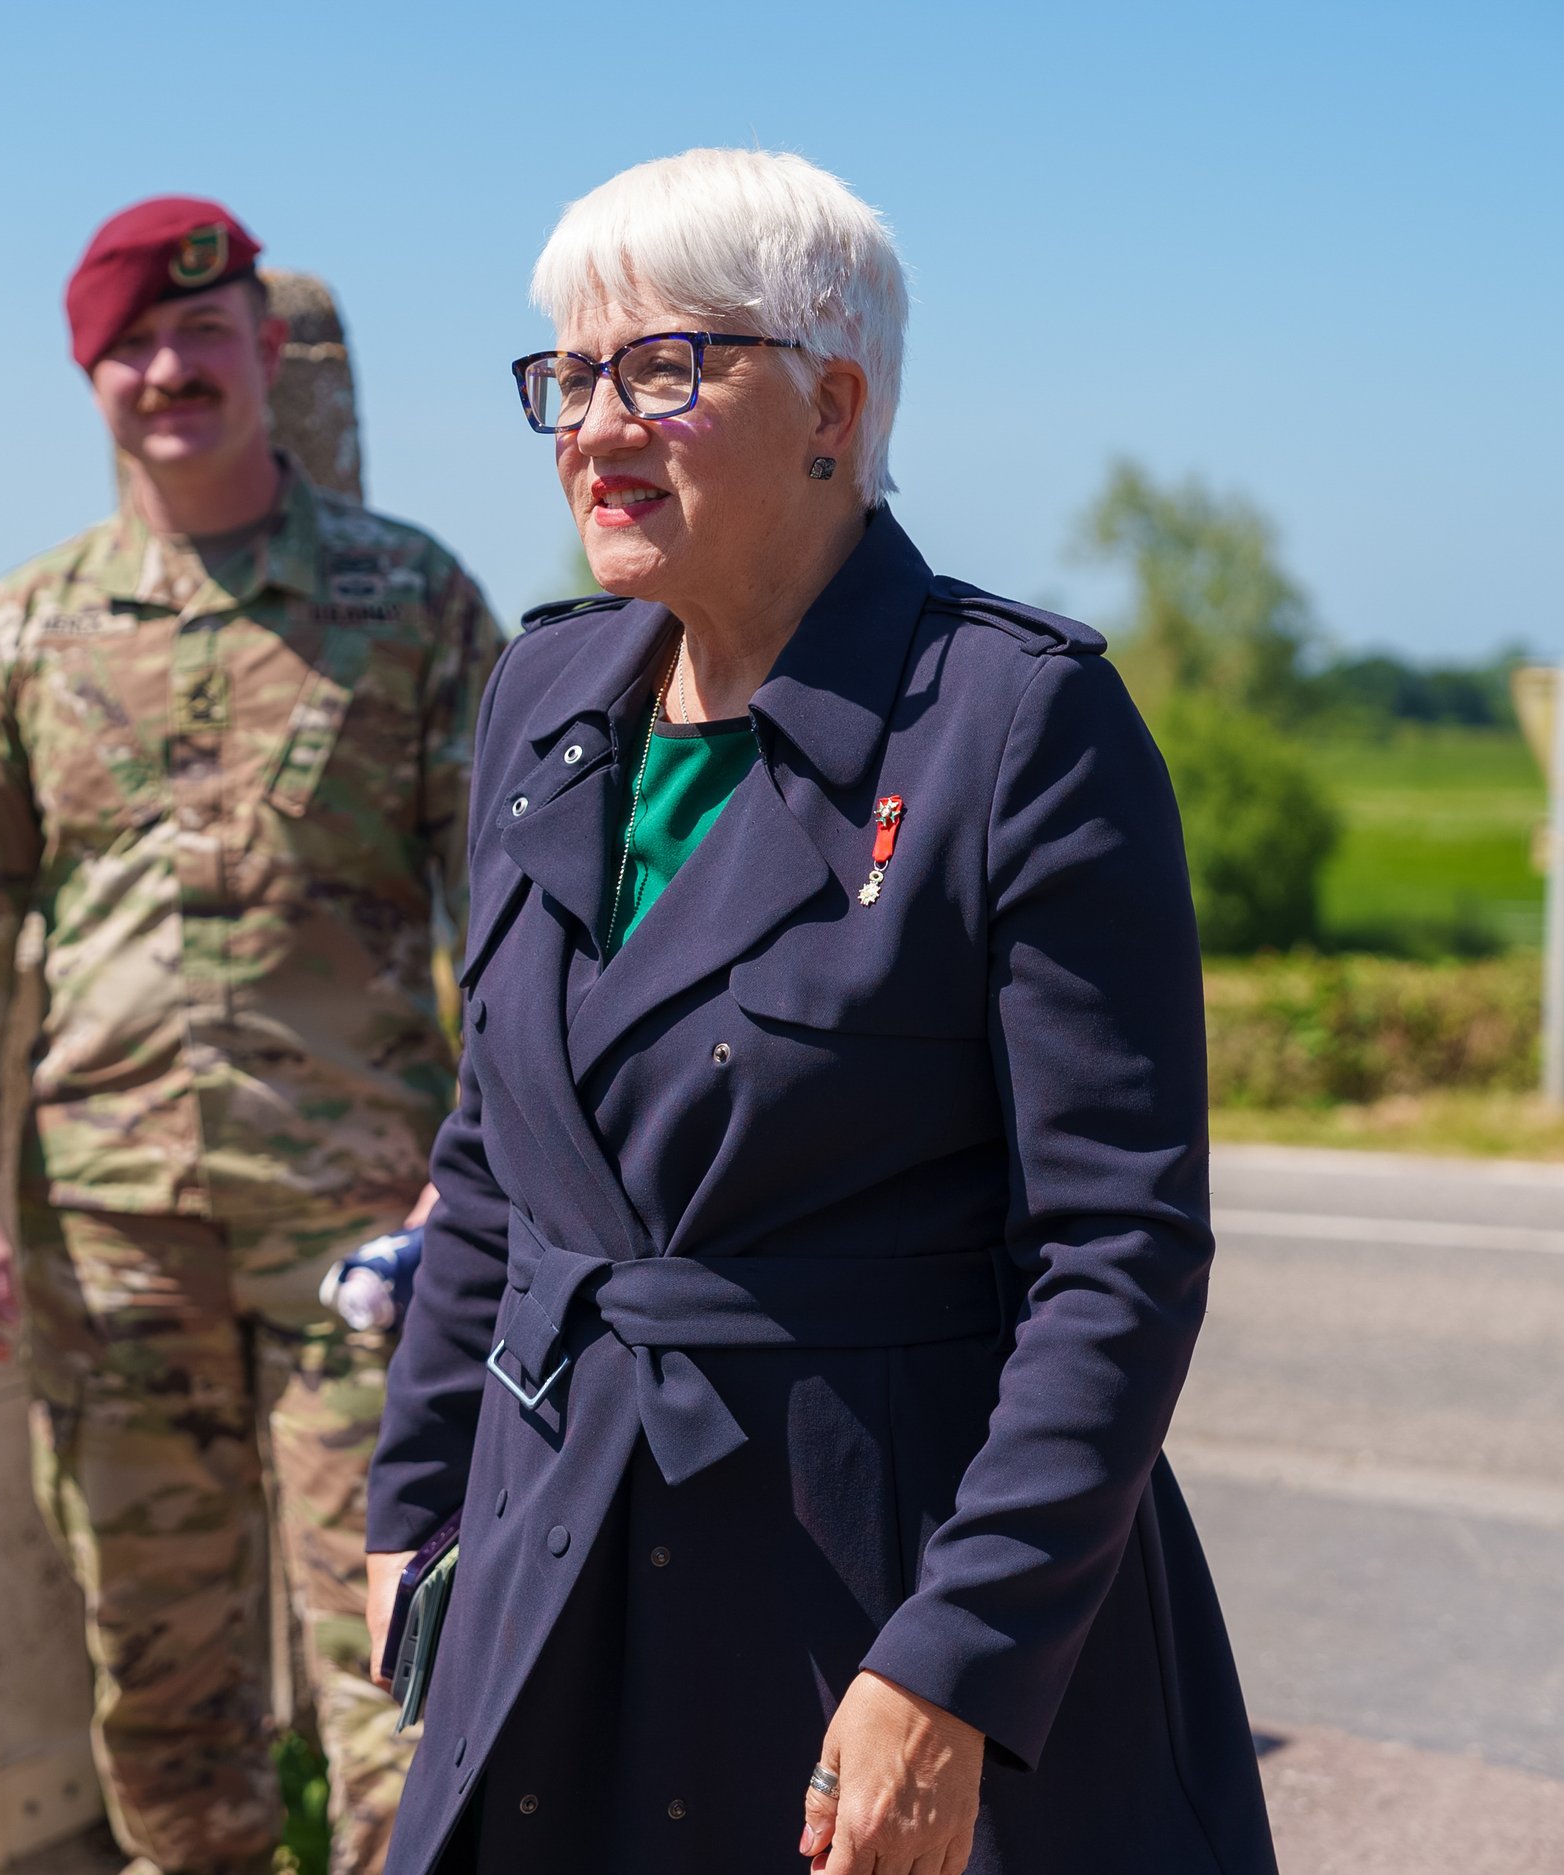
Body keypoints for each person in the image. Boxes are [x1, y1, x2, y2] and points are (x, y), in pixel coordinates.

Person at [362, 148, 1278, 1875]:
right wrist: (414, 1498)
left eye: (665, 368)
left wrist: (957, 1663)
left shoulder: (1015, 726)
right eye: (568, 375)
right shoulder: (542, 690)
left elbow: (1122, 1254)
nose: (595, 425)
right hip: (560, 1571)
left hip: (877, 1589)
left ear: (832, 408)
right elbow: (497, 1149)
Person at [0, 196, 502, 1875]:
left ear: (264, 355)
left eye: (204, 336)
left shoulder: (415, 603)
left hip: (365, 1241)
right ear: (94, 376)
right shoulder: (22, 628)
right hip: (112, 1241)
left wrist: (494, 1172)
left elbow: (513, 921)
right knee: (164, 1697)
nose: (173, 370)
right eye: (136, 345)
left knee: (408, 1668)